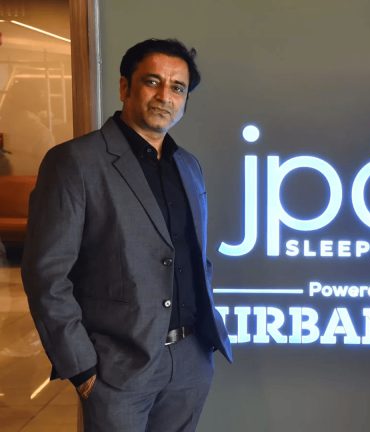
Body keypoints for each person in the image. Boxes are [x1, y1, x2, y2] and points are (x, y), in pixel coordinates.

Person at [22, 38, 232, 431]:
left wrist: (201, 349)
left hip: (190, 360)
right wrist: (81, 368)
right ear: (125, 87)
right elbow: (45, 274)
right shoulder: (75, 162)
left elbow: (193, 257)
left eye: (177, 88)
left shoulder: (189, 166)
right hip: (117, 368)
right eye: (152, 81)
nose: (165, 96)